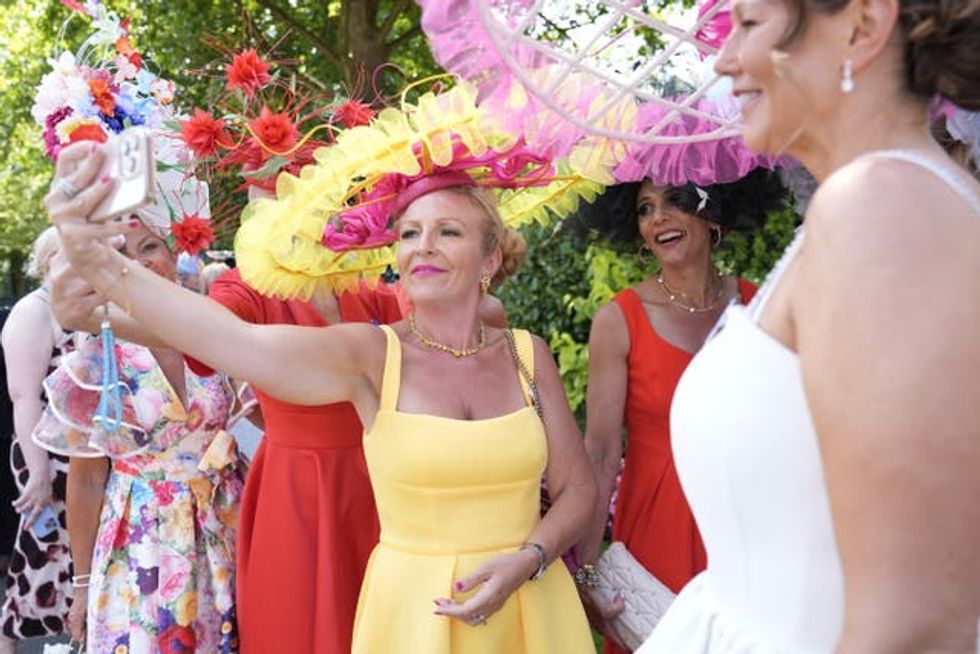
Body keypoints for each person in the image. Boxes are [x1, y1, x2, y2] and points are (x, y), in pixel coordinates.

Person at [47, 126, 599, 653]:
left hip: (532, 605)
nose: (423, 246)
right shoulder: (370, 353)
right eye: (410, 233)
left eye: (447, 231)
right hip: (418, 616)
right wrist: (103, 267)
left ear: (492, 258)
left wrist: (530, 558)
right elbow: (232, 339)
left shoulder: (529, 354)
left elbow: (578, 489)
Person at [635, 0, 980, 651]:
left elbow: (917, 624)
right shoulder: (872, 200)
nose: (723, 57)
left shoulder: (880, 207)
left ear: (863, 25)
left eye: (750, 24)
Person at [572, 171, 786, 652]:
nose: (658, 218)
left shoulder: (761, 306)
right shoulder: (619, 319)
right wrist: (585, 572)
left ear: (714, 215)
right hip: (658, 530)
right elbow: (602, 452)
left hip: (748, 532)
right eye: (645, 208)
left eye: (675, 200)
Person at [33, 211, 251, 653]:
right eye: (120, 254)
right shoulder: (96, 358)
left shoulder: (219, 330)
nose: (138, 262)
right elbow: (88, 478)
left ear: (175, 250)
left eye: (149, 246)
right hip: (142, 543)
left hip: (228, 521)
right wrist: (81, 584)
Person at [0, 227, 73, 653]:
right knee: (40, 551)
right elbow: (23, 396)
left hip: (75, 453)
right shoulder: (32, 312)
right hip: (43, 452)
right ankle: (11, 637)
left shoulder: (75, 306)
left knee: (67, 554)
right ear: (49, 260)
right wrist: (39, 472)